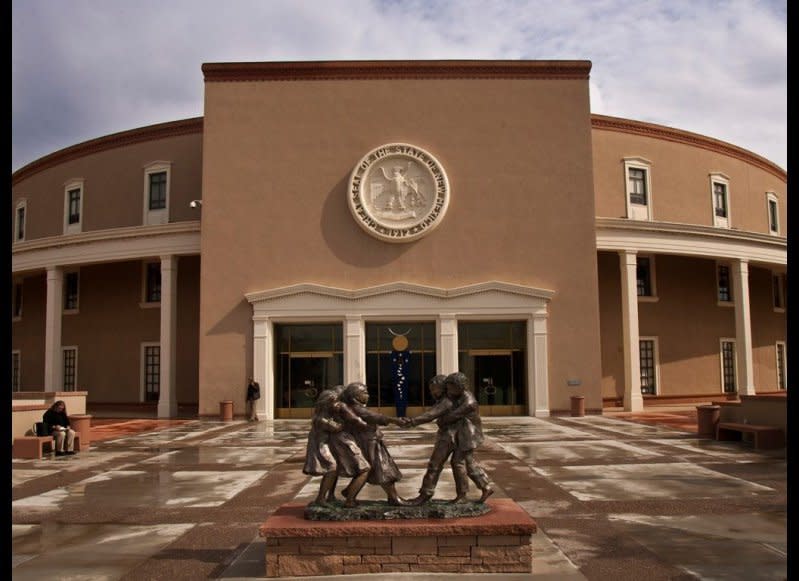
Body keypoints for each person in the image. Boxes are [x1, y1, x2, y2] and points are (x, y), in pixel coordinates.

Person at [338, 382, 407, 506]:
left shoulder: (355, 408)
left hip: (370, 441)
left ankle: (350, 493)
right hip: (369, 443)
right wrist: (395, 420)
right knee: (383, 469)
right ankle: (393, 498)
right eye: (364, 392)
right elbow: (374, 416)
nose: (368, 395)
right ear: (354, 396)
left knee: (379, 469)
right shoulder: (356, 409)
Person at [302, 387, 370, 506]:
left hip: (327, 443)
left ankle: (330, 496)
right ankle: (320, 498)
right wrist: (348, 420)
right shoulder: (322, 419)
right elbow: (337, 428)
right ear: (326, 404)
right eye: (336, 402)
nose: (339, 405)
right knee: (331, 468)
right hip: (320, 446)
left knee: (335, 468)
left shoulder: (330, 416)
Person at [441, 372, 494, 503]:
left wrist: (440, 420)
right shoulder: (460, 396)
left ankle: (462, 495)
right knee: (469, 464)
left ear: (458, 386)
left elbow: (451, 416)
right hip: (463, 434)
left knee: (457, 462)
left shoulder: (469, 402)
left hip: (468, 436)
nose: (448, 391)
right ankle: (485, 486)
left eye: (450, 387)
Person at [400, 374, 454, 504]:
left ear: (442, 388)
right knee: (465, 464)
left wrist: (412, 422)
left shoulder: (446, 401)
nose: (432, 392)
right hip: (450, 434)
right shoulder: (443, 400)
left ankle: (425, 494)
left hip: (449, 436)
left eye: (434, 389)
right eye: (431, 389)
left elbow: (431, 415)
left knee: (434, 465)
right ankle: (484, 486)